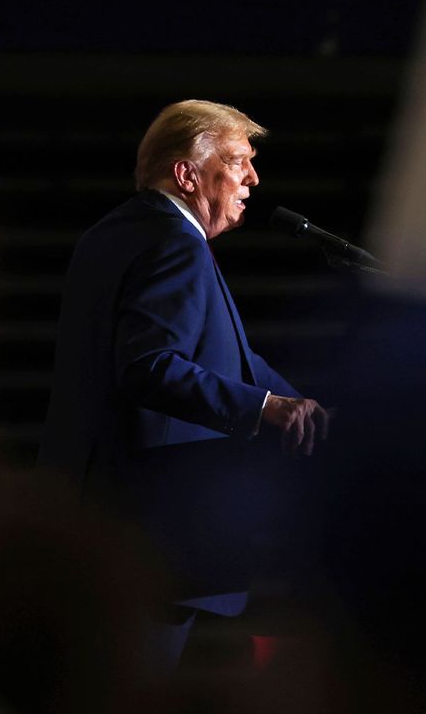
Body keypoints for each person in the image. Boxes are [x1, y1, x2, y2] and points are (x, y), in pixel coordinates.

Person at [38, 99, 329, 674]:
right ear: (187, 174)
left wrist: (308, 408)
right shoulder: (176, 244)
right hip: (152, 537)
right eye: (239, 161)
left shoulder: (110, 235)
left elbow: (233, 362)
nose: (253, 178)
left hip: (94, 514)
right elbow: (149, 365)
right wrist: (267, 410)